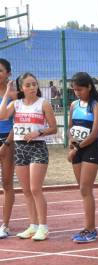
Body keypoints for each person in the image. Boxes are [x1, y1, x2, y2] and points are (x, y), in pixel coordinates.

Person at [0, 73, 57, 241]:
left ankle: (43, 226)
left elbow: (54, 128)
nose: (32, 87)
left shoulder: (43, 104)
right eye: (28, 85)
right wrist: (6, 94)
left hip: (37, 147)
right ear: (22, 88)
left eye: (34, 84)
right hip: (20, 148)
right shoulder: (16, 104)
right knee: (26, 190)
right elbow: (2, 116)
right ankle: (32, 225)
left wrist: (39, 131)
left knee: (35, 189)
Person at [67, 72, 98, 243]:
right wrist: (71, 142)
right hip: (77, 148)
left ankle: (91, 229)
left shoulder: (97, 105)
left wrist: (76, 148)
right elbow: (70, 128)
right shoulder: (74, 105)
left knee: (85, 188)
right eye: (74, 90)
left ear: (89, 87)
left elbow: (95, 133)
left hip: (91, 148)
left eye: (80, 89)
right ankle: (88, 227)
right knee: (82, 190)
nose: (77, 92)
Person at [0, 59, 16, 239]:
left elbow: (17, 121)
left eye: (1, 71)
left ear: (8, 73)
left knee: (6, 182)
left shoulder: (13, 94)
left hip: (8, 140)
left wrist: (6, 144)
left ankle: (5, 224)